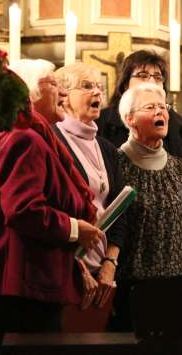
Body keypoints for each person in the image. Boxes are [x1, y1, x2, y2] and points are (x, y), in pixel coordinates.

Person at [0, 60, 103, 354]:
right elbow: (23, 209)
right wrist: (74, 229)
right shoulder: (26, 139)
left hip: (29, 279)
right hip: (22, 284)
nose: (61, 92)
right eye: (52, 84)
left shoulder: (30, 135)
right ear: (32, 94)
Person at [109, 82, 182, 331]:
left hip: (175, 288)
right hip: (130, 289)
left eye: (162, 107)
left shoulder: (179, 168)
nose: (160, 112)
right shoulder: (115, 163)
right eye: (150, 107)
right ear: (130, 118)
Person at [52, 63, 125, 326]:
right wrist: (74, 264)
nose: (97, 93)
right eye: (87, 86)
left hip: (102, 272)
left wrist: (110, 263)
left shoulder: (106, 148)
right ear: (64, 96)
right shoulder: (53, 140)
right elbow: (52, 209)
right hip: (66, 270)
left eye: (99, 87)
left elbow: (118, 211)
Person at [96, 49, 182, 159]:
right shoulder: (102, 121)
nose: (151, 82)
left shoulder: (177, 124)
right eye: (142, 75)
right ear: (126, 84)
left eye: (158, 77)